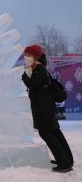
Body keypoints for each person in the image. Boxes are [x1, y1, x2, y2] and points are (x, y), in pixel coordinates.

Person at [22, 45, 74, 173]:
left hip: (43, 108)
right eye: (26, 55)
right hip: (45, 107)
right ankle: (67, 160)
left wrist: (25, 75)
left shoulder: (39, 69)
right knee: (55, 132)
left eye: (28, 55)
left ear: (35, 56)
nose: (26, 58)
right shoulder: (40, 69)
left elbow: (32, 84)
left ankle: (64, 163)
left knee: (46, 133)